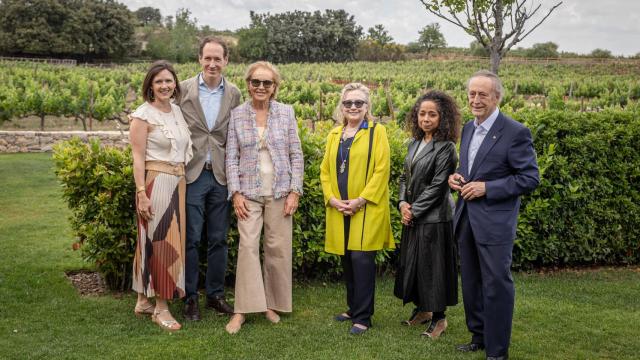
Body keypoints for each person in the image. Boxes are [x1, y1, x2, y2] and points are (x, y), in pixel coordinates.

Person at [448, 70, 539, 360]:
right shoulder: (469, 129)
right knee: (472, 282)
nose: (475, 100)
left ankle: (497, 351)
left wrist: (487, 188)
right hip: (466, 219)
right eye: (472, 94)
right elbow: (470, 169)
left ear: (497, 97)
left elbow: (529, 178)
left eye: (482, 94)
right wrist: (457, 177)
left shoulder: (515, 132)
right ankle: (479, 336)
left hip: (495, 223)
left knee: (496, 285)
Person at [224, 61, 304, 334]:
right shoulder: (236, 115)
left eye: (266, 83)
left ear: (274, 87)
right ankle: (242, 310)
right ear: (248, 84)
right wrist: (235, 193)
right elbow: (231, 158)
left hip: (281, 191)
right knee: (247, 247)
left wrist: (295, 190)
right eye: (255, 82)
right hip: (248, 194)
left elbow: (296, 154)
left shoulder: (286, 113)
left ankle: (272, 303)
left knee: (278, 250)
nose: (260, 87)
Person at [320, 82, 394, 335]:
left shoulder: (377, 132)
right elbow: (326, 171)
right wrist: (331, 199)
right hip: (339, 209)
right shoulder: (334, 134)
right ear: (342, 106)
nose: (353, 107)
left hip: (366, 209)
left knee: (362, 261)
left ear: (367, 107)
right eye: (348, 103)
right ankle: (352, 308)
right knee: (348, 260)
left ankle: (363, 316)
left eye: (358, 103)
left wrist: (361, 200)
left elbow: (382, 170)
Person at [178, 37, 242, 320]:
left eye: (218, 58)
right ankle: (190, 298)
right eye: (208, 58)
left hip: (221, 175)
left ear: (226, 61)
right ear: (200, 59)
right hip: (192, 174)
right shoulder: (182, 90)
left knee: (218, 239)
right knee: (190, 239)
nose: (213, 63)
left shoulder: (235, 94)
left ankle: (215, 295)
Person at [130, 60, 193, 331]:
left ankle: (144, 300)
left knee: (153, 241)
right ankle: (161, 308)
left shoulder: (176, 111)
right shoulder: (143, 115)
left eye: (169, 81)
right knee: (162, 243)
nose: (165, 86)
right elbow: (137, 157)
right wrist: (141, 192)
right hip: (156, 182)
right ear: (150, 86)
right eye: (159, 82)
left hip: (178, 181)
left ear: (175, 83)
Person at [394, 91, 461, 338]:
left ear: (442, 118)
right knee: (416, 265)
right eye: (422, 113)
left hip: (435, 218)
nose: (426, 119)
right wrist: (402, 203)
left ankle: (440, 319)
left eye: (432, 114)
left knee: (434, 269)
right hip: (413, 215)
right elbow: (404, 177)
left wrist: (414, 211)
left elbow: (438, 185)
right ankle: (424, 310)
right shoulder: (414, 143)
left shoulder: (446, 148)